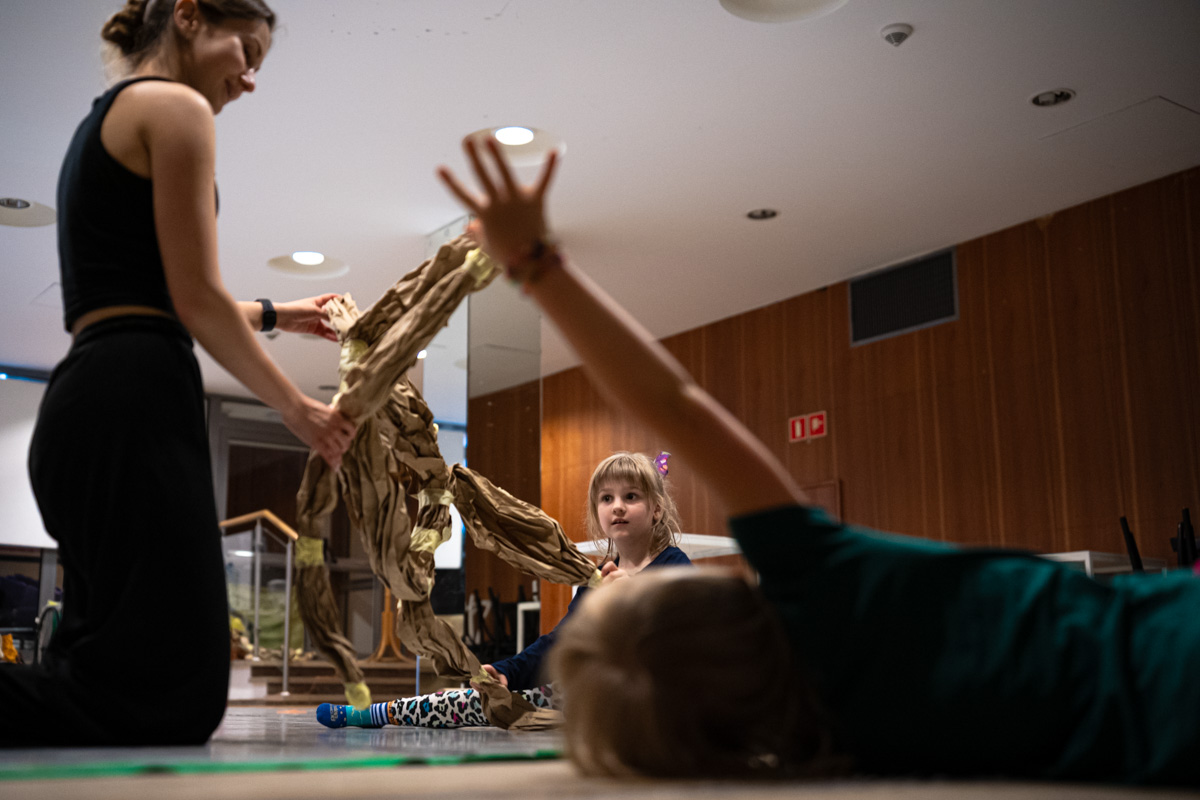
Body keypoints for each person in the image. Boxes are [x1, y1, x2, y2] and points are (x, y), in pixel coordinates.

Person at [435, 140, 1200, 784]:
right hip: (1169, 638)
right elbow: (674, 401)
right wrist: (534, 262)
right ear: (706, 595)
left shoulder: (832, 752)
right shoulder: (824, 586)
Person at [0, 0, 355, 747]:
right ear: (189, 16)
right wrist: (299, 410)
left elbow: (157, 291)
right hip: (132, 400)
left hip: (94, 396)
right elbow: (192, 299)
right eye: (247, 51)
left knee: (111, 672)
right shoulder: (176, 107)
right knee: (171, 692)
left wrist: (278, 313)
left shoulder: (110, 116)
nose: (250, 79)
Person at [316, 451, 692, 729]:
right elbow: (559, 641)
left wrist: (630, 600)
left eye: (631, 497)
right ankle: (377, 713)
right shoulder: (596, 577)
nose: (617, 507)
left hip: (652, 700)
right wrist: (506, 672)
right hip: (588, 695)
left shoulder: (673, 566)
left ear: (657, 510)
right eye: (607, 498)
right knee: (481, 702)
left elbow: (687, 643)